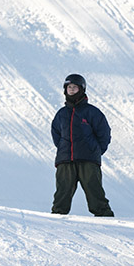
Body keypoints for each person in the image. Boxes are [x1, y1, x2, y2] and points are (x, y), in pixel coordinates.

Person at [50, 73, 115, 217]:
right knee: (62, 193)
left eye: (75, 87)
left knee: (94, 191)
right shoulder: (61, 114)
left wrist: (95, 151)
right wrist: (63, 149)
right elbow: (56, 135)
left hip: (88, 160)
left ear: (82, 89)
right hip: (65, 160)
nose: (71, 90)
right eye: (69, 87)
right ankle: (56, 220)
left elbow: (104, 134)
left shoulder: (92, 112)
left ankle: (105, 218)